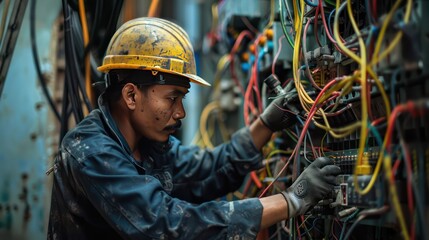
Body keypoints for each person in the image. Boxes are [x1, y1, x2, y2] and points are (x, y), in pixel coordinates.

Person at [47, 17, 341, 239]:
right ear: (131, 95)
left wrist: (266, 123)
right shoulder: (90, 152)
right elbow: (166, 224)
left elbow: (208, 170)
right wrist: (290, 201)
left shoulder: (150, 145)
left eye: (182, 99)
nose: (181, 112)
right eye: (172, 98)